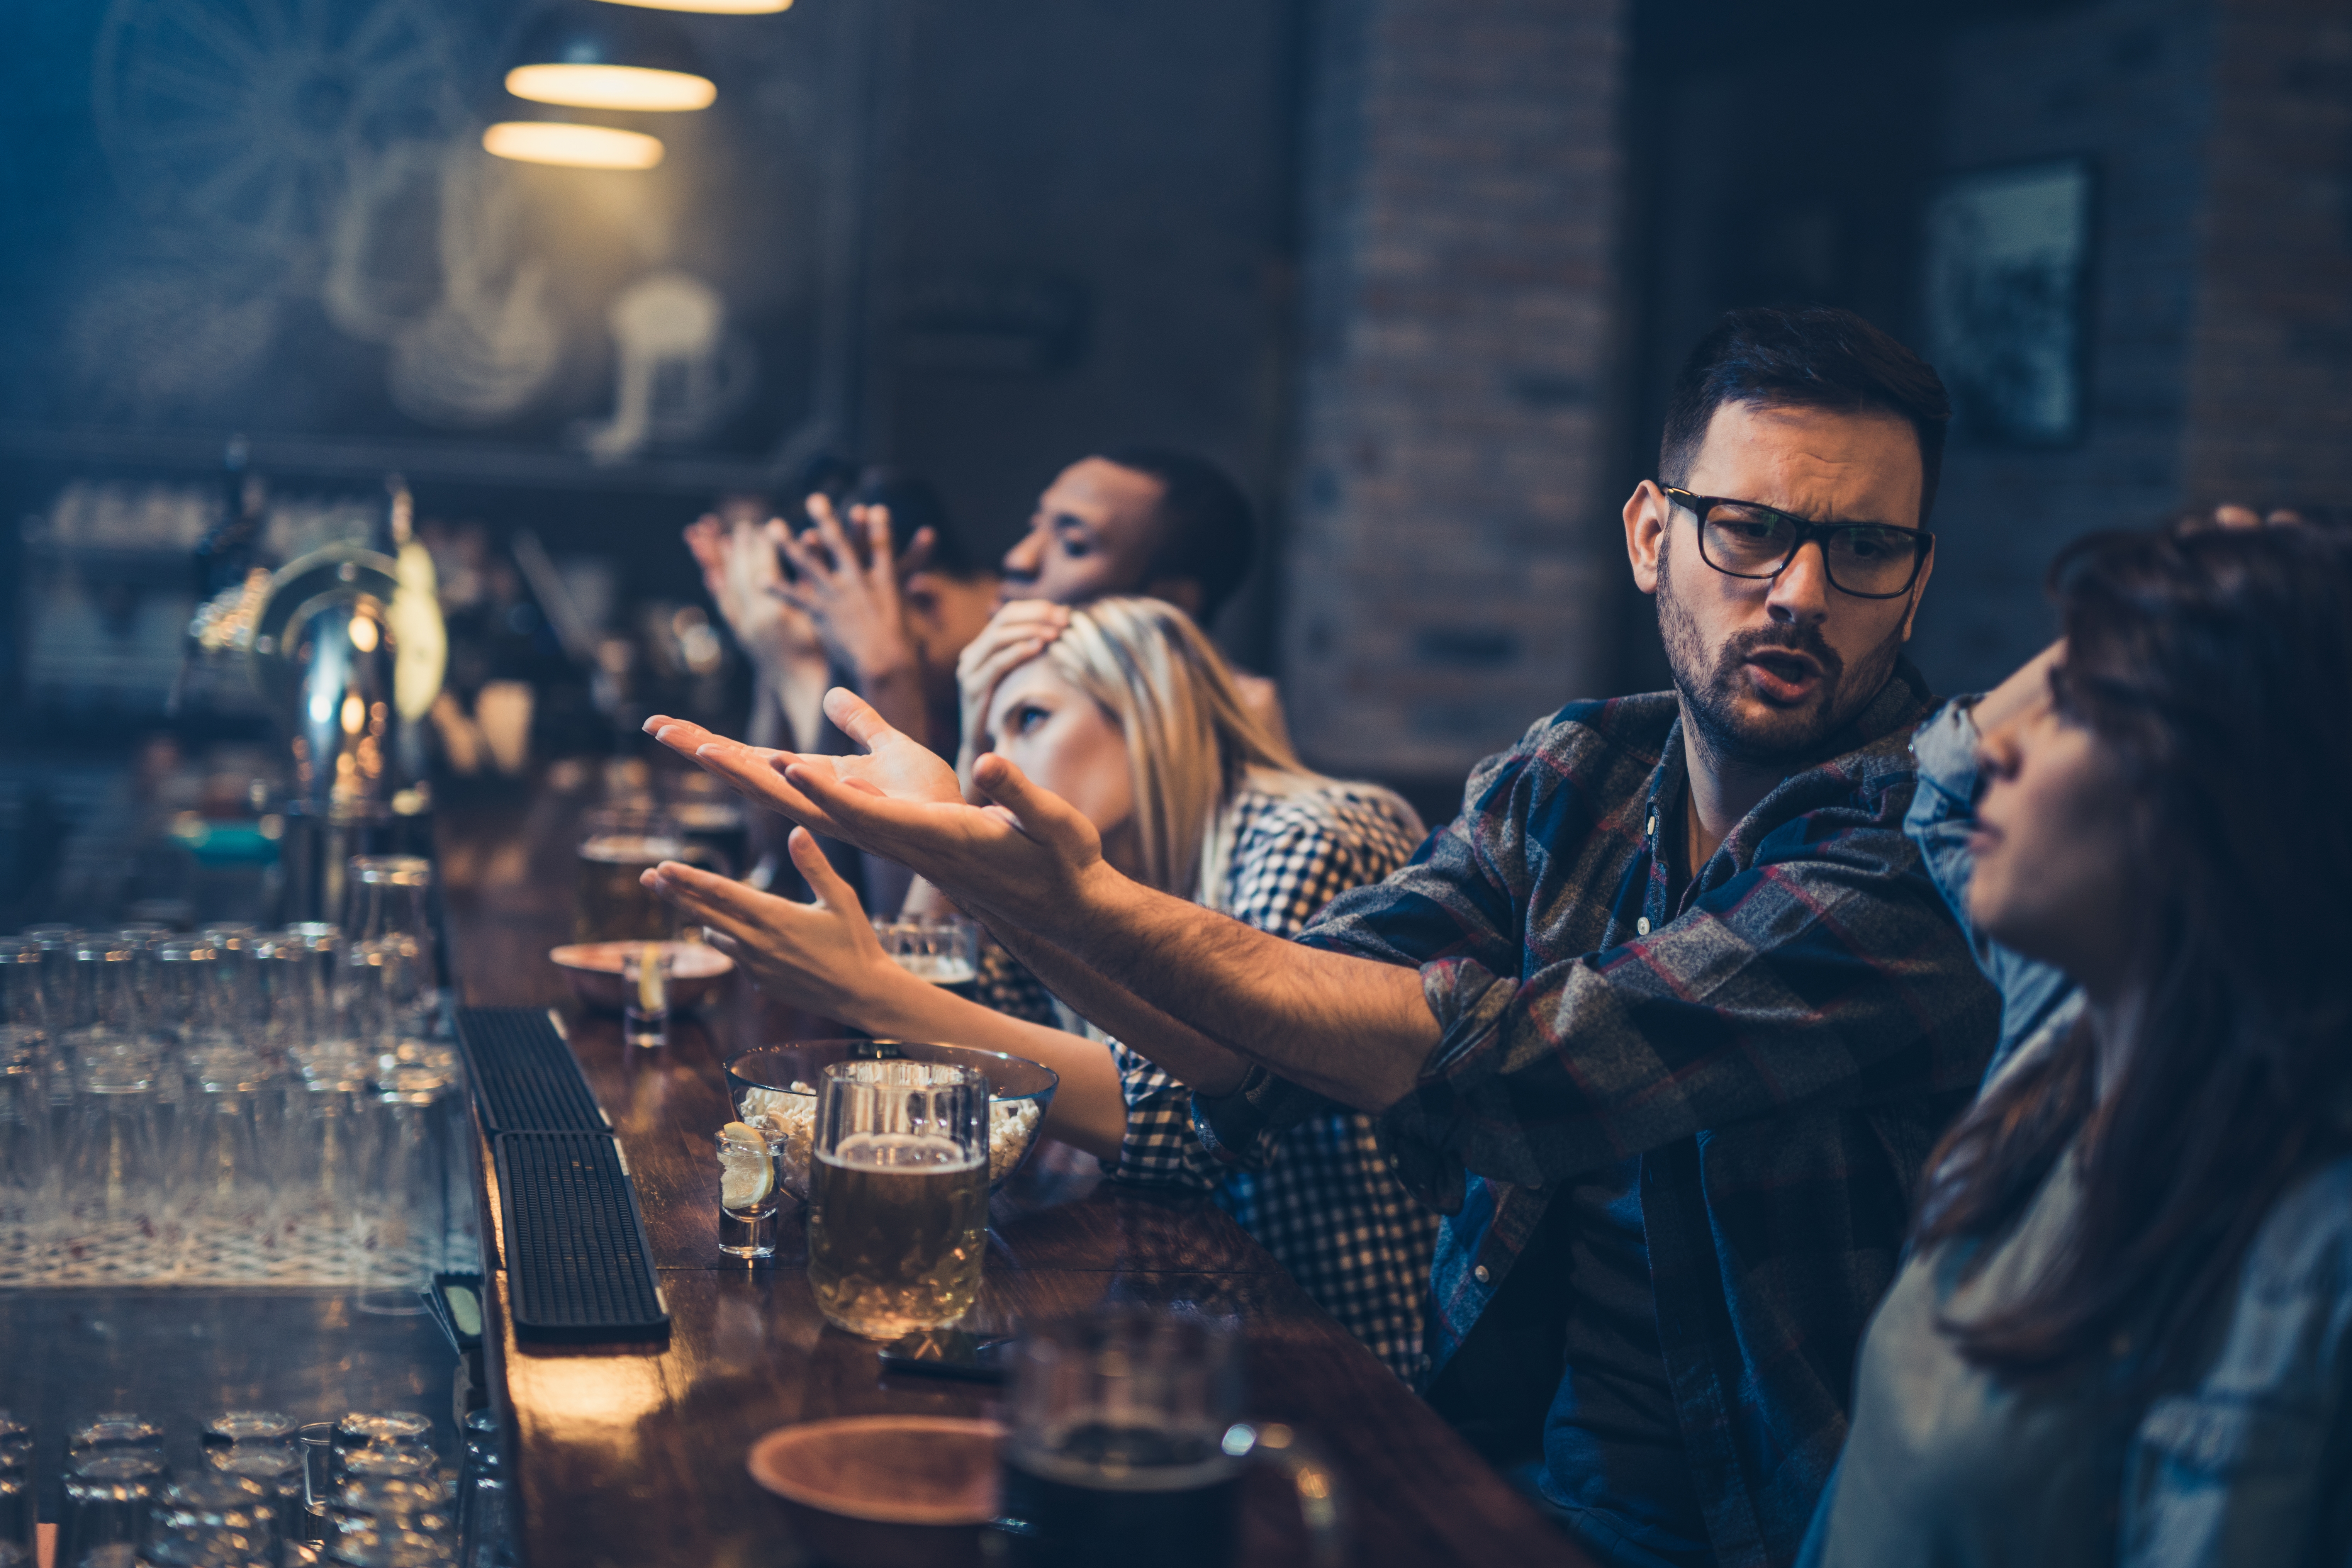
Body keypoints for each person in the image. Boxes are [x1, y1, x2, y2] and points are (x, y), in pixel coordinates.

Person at [645, 305, 2004, 1568]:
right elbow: (1258, 1049)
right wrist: (995, 874)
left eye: (1866, 548)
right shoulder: (1579, 776)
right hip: (1478, 1448)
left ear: (1920, 574)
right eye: (1749, 530)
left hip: (1755, 1524)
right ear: (1653, 534)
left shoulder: (1920, 854)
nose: (1802, 593)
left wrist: (1062, 900)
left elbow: (1535, 1075)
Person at [639, 597, 1439, 1378]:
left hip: (1343, 1360)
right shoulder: (1096, 863)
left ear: (1150, 712)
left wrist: (871, 986)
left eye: (1029, 720)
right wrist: (928, 836)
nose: (1001, 767)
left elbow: (1175, 1119)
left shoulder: (1314, 832)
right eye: (984, 737)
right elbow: (967, 1066)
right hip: (1182, 1319)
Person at [1799, 522, 2352, 1566]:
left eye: (2083, 705)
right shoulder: (2074, 1038)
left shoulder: (2317, 1243)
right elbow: (1943, 786)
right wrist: (2190, 594)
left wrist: (2268, 634)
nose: (2003, 740)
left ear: (2223, 785)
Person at [962, 446, 1286, 752]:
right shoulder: (966, 679)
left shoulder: (1220, 746)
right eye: (1034, 527)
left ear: (1168, 604)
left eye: (1073, 545)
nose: (1018, 559)